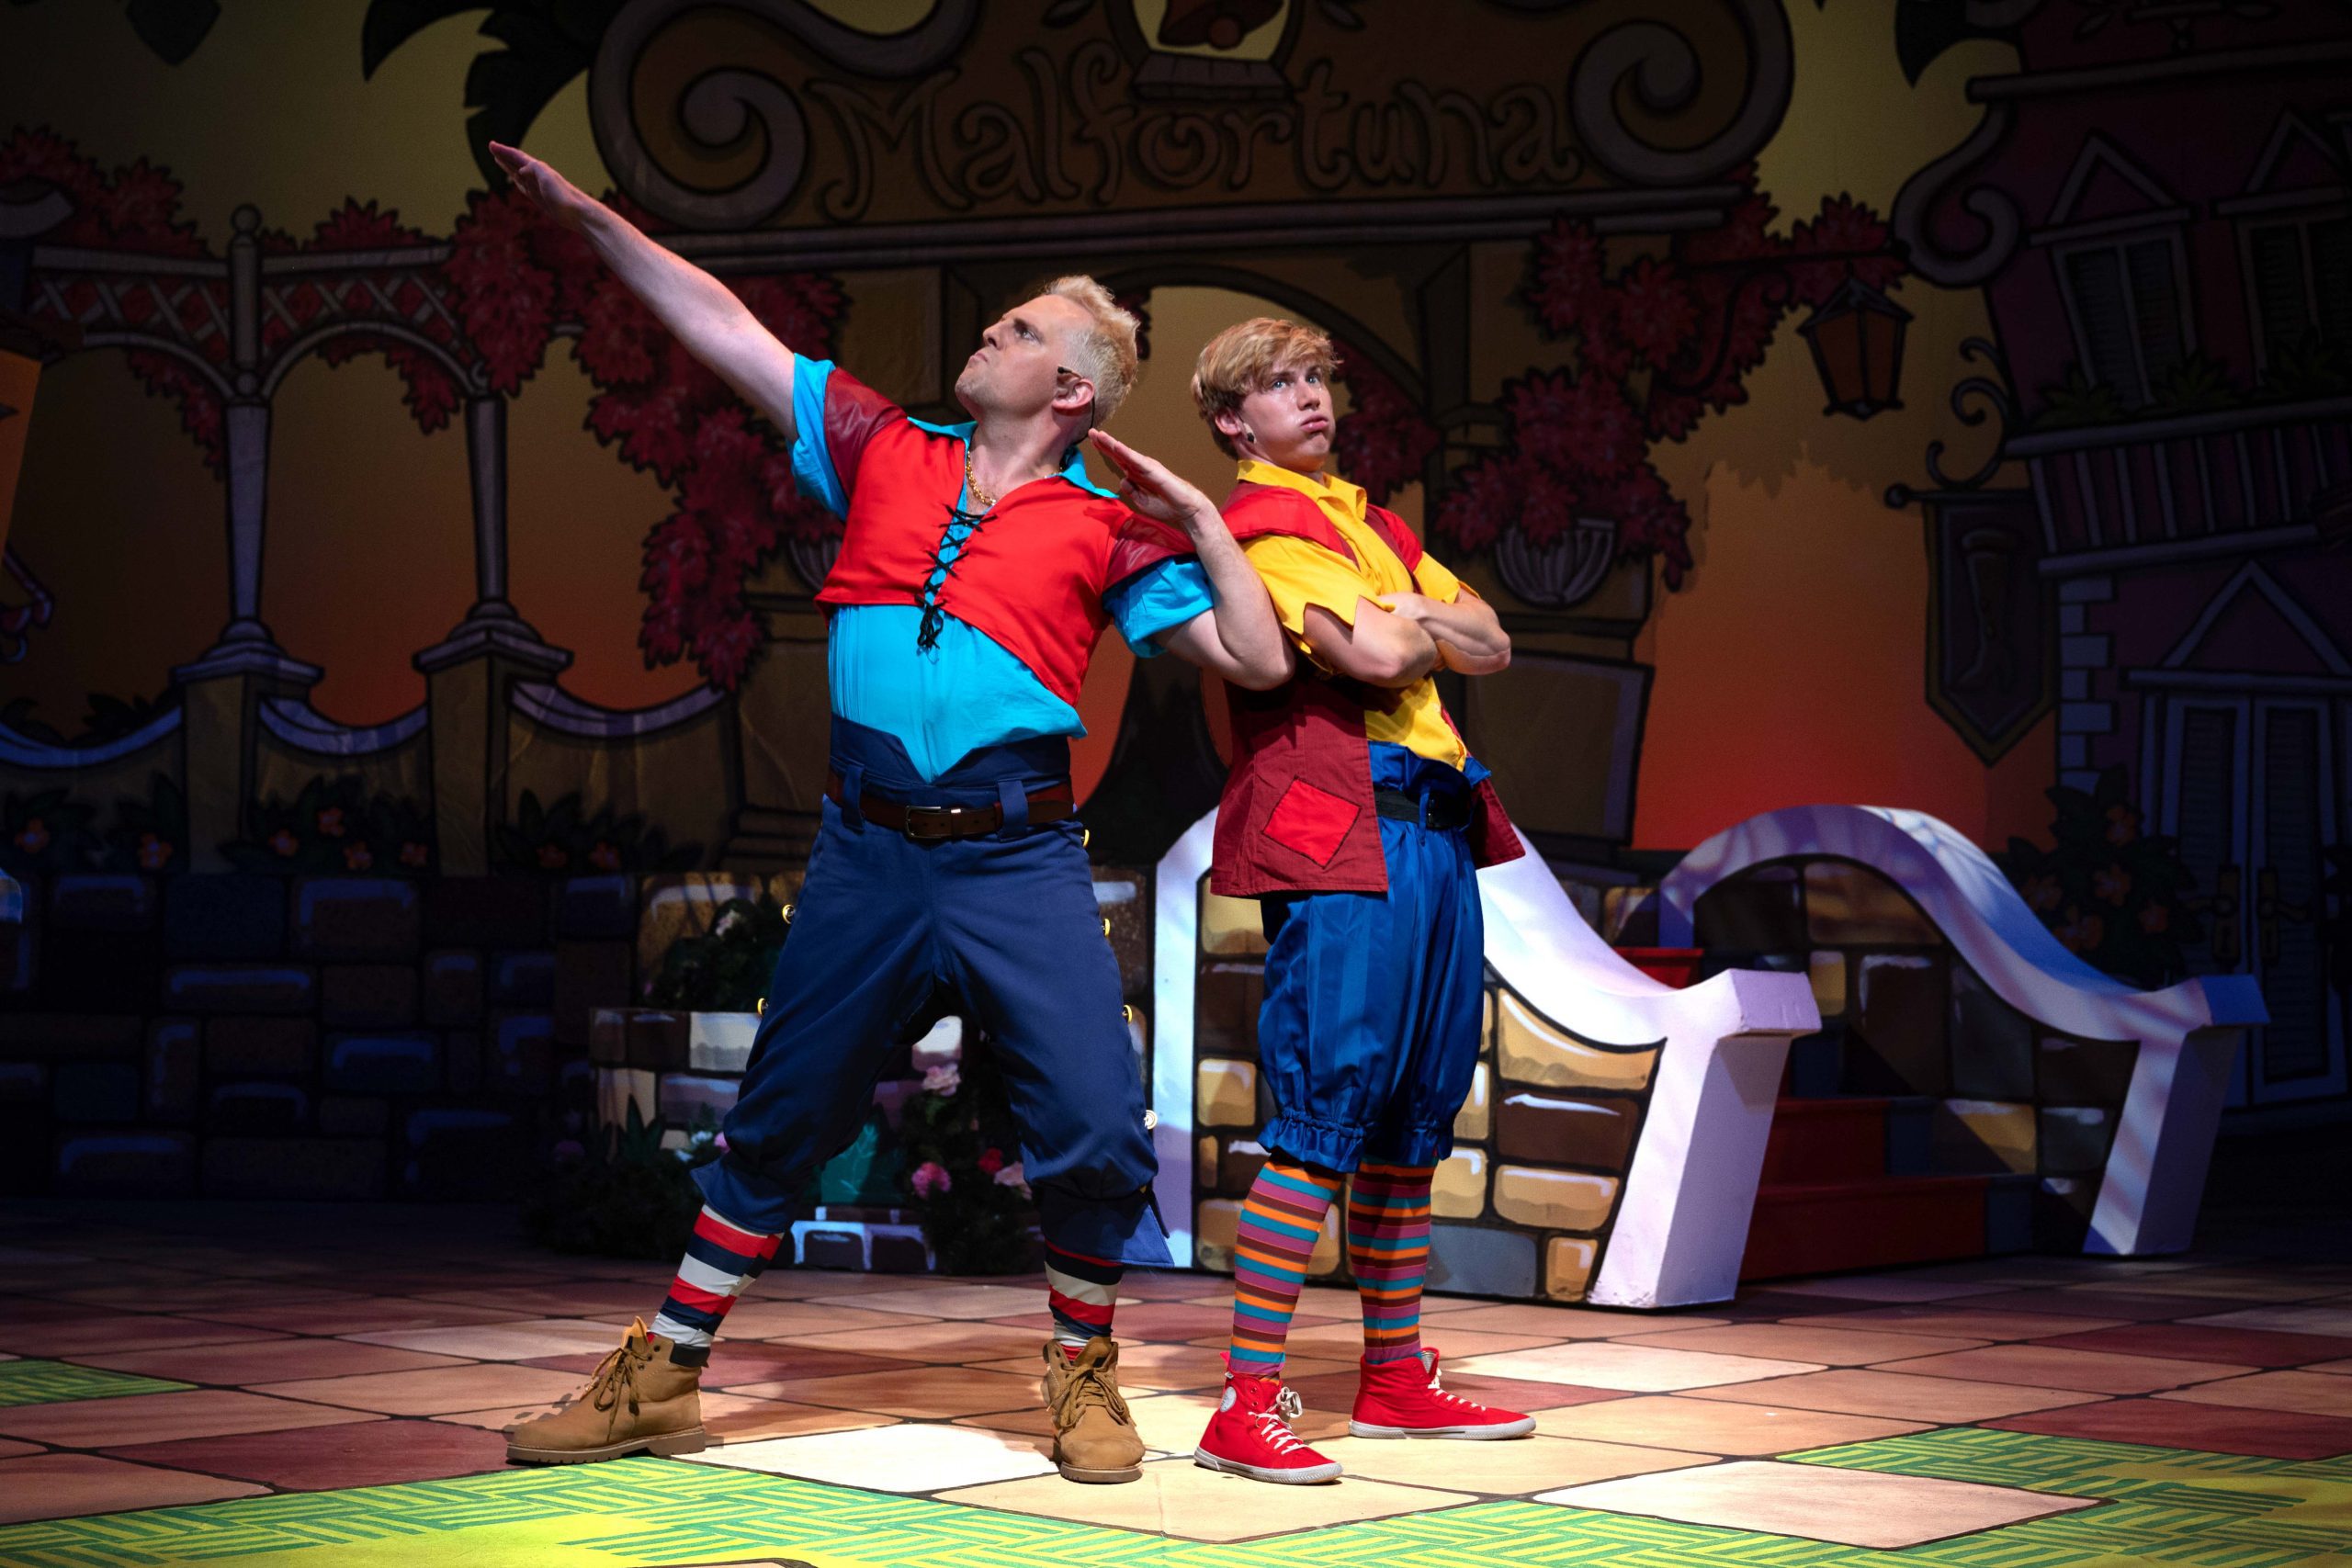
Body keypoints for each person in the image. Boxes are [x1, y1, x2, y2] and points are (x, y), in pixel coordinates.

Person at [484, 142, 1291, 1485]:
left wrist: (1203, 518)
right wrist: (585, 217)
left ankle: (1083, 1369)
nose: (990, 332)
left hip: (1016, 856)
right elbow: (722, 326)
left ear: (1073, 389)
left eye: (1021, 330)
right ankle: (663, 1372)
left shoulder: (1110, 530)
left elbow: (1257, 660)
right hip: (865, 851)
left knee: (1094, 1120)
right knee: (780, 1111)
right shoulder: (882, 448)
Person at [1182, 318, 1532, 1484]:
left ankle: (1392, 1380)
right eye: (1279, 384)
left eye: (1317, 378)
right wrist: (1414, 623)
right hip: (1345, 829)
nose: (1311, 398)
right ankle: (1244, 1405)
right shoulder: (1263, 528)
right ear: (1233, 422)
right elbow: (1378, 662)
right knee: (1327, 1103)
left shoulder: (1374, 525)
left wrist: (1404, 615)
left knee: (1414, 1115)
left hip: (1432, 829)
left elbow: (1490, 641)